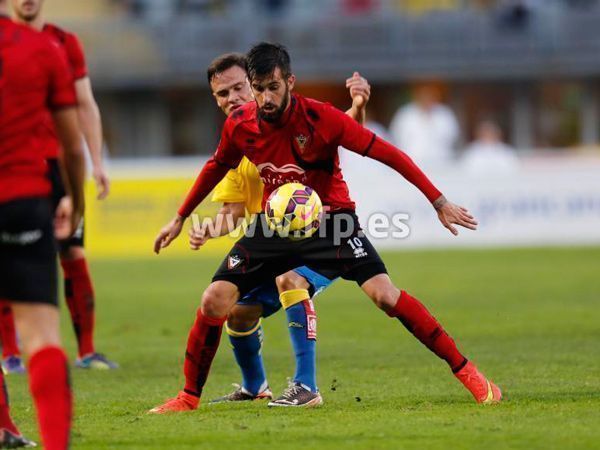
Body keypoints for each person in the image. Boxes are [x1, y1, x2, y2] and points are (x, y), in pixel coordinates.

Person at [152, 42, 502, 409]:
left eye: (273, 87)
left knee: (385, 295)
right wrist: (180, 217)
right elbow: (215, 167)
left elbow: (391, 154)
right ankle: (189, 397)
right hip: (276, 226)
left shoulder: (321, 119)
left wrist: (439, 201)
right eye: (258, 89)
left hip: (332, 221)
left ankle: (469, 373)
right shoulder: (240, 125)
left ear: (290, 81)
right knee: (215, 299)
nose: (265, 97)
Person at [149, 53, 371, 411]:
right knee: (236, 310)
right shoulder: (239, 142)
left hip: (322, 236)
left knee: (290, 279)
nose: (232, 98)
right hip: (270, 242)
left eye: (238, 88)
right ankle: (255, 387)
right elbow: (233, 211)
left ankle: (306, 386)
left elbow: (343, 131)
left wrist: (358, 106)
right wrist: (208, 228)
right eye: (222, 94)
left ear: (256, 85)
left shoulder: (291, 123)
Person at [0, 0, 117, 372]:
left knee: (73, 254)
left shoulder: (64, 44)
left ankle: (86, 351)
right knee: (8, 259)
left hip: (57, 166)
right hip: (15, 166)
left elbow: (85, 103)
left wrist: (96, 161)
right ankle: (11, 354)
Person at [0, 2, 86, 447]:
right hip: (23, 199)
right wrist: (75, 199)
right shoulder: (42, 48)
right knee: (41, 336)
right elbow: (72, 146)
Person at [389, 82, 459, 168]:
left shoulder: (444, 114)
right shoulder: (405, 113)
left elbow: (452, 138)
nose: (426, 99)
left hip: (440, 163)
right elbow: (396, 137)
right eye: (424, 95)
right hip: (412, 164)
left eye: (430, 95)